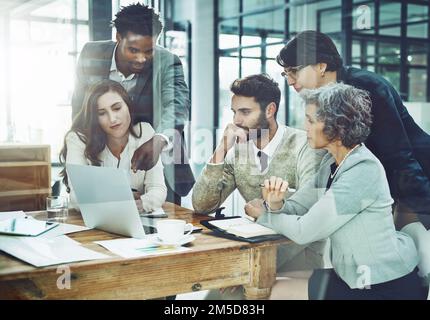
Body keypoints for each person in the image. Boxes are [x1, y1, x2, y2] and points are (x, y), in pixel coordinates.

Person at [276, 30, 430, 287]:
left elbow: (400, 157)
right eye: (286, 73)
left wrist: (424, 209)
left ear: (321, 66)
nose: (290, 80)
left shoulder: (367, 88)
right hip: (388, 181)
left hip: (416, 176)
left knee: (415, 262)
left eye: (294, 70)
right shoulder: (324, 103)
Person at [246, 83, 427, 299]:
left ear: (336, 126)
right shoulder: (331, 165)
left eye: (311, 120)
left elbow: (305, 231)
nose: (305, 128)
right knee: (268, 278)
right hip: (354, 277)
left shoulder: (362, 171)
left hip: (383, 286)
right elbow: (299, 206)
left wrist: (265, 216)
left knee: (273, 291)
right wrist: (275, 204)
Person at [192, 74, 326, 299]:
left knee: (233, 297)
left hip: (298, 255)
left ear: (270, 110)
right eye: (234, 112)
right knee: (214, 297)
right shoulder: (239, 151)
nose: (236, 121)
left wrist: (245, 269)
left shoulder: (306, 146)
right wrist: (221, 150)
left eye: (245, 112)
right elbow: (202, 204)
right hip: (255, 250)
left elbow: (307, 212)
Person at [71, 3, 194, 204]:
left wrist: (160, 139)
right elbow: (79, 108)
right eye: (133, 50)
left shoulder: (168, 61)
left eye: (149, 50)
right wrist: (78, 157)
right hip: (104, 164)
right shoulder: (91, 54)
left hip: (156, 169)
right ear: (118, 37)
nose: (141, 59)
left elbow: (177, 104)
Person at [60, 79, 167, 212]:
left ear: (128, 105)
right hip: (88, 222)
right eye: (102, 113)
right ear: (94, 118)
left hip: (133, 220)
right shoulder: (78, 139)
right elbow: (77, 197)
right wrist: (125, 199)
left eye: (117, 108)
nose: (112, 119)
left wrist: (140, 205)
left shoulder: (145, 132)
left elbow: (158, 190)